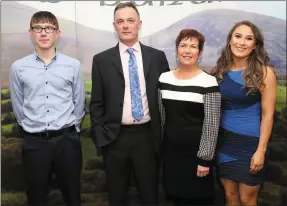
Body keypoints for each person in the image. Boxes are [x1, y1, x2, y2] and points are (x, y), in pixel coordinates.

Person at [89, 2, 169, 206]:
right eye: (120, 21)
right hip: (114, 140)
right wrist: (102, 138)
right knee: (116, 197)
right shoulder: (101, 60)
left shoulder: (157, 57)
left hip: (147, 138)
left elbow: (166, 100)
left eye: (130, 21)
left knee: (150, 196)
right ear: (114, 26)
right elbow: (97, 103)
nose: (125, 26)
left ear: (139, 24)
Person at [9, 11, 85, 206]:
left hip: (67, 141)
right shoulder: (18, 68)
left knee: (73, 196)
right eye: (38, 28)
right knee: (36, 197)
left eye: (49, 28)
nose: (43, 33)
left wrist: (70, 130)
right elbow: (18, 105)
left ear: (57, 33)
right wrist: (28, 128)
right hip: (35, 143)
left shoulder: (73, 66)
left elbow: (79, 103)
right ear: (31, 32)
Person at [212, 20, 277, 206]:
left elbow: (268, 115)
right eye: (238, 36)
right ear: (230, 40)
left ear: (255, 45)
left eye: (248, 38)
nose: (241, 42)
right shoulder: (219, 73)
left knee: (247, 199)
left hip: (251, 145)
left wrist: (261, 151)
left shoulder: (265, 73)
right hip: (225, 144)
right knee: (230, 197)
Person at [158, 29, 221, 206]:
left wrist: (204, 159)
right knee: (175, 199)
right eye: (183, 45)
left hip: (196, 158)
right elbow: (162, 117)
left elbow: (212, 123)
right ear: (176, 50)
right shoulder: (164, 79)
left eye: (193, 47)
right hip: (170, 155)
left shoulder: (208, 81)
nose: (187, 50)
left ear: (199, 53)